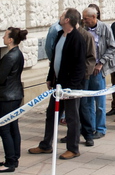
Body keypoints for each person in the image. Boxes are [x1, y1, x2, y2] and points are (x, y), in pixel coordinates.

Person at [29, 8, 86, 159]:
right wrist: (50, 77)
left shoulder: (77, 39)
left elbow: (80, 67)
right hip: (58, 84)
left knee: (72, 118)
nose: (59, 17)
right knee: (51, 115)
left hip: (70, 88)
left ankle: (73, 148)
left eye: (62, 15)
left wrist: (71, 89)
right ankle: (46, 145)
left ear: (67, 20)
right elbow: (54, 59)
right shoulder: (60, 35)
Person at [0, 27, 27, 173]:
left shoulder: (11, 56)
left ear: (11, 40)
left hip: (7, 97)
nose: (3, 38)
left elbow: (0, 78)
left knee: (4, 128)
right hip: (14, 95)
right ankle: (13, 157)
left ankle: (10, 161)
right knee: (12, 127)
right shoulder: (17, 54)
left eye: (5, 36)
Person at [83, 6, 115, 141]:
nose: (84, 21)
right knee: (87, 101)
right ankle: (90, 128)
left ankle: (101, 128)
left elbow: (112, 47)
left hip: (98, 70)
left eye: (86, 19)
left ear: (94, 17)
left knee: (100, 101)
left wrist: (101, 63)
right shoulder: (83, 29)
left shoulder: (105, 28)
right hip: (86, 71)